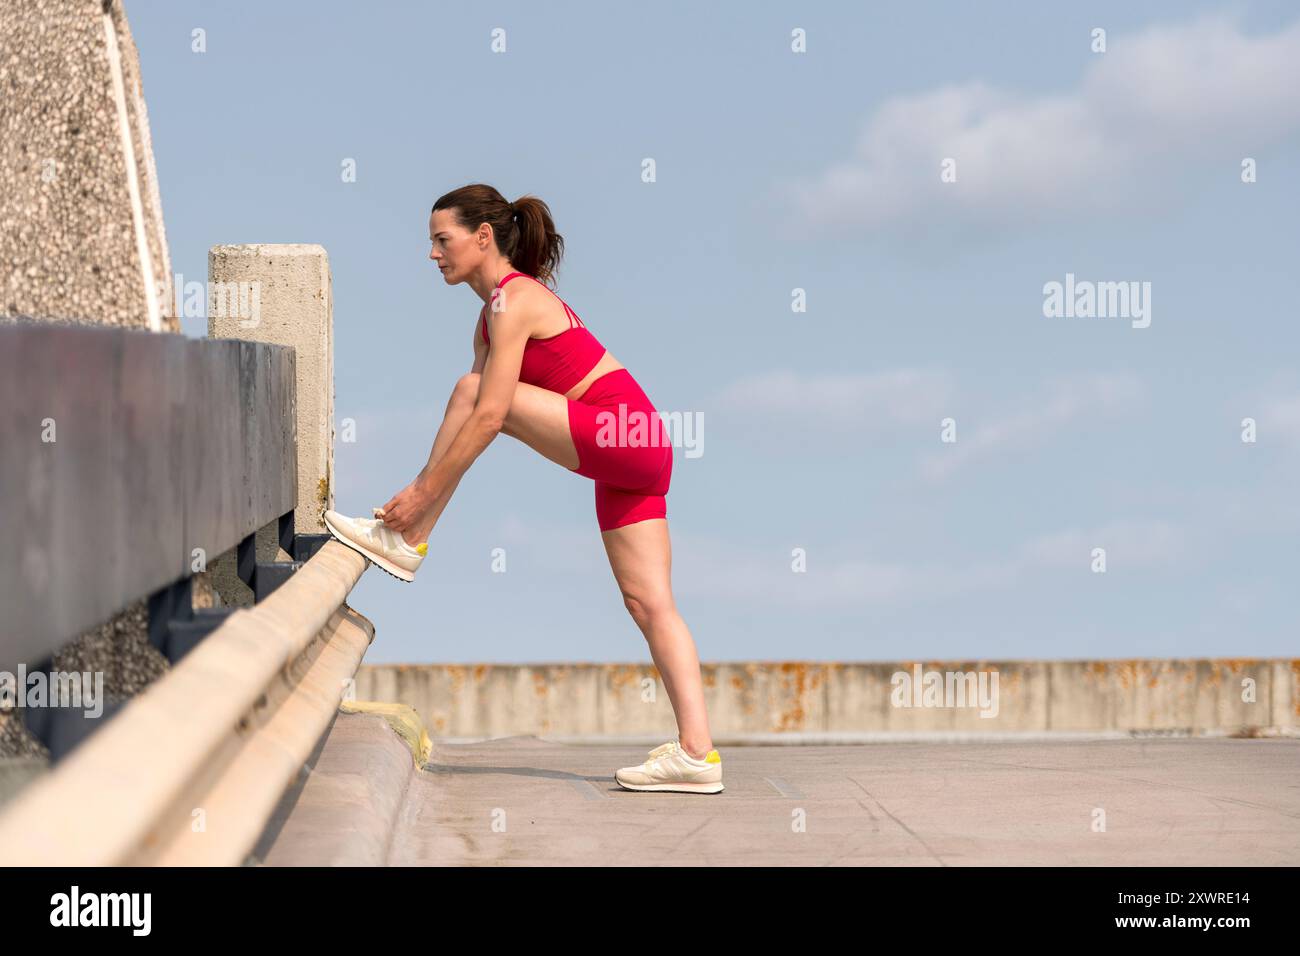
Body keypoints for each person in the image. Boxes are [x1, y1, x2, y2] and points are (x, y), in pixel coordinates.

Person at [323, 184, 722, 794]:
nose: (433, 254)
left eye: (442, 239)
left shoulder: (516, 298)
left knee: (472, 395)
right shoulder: (489, 321)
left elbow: (488, 414)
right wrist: (427, 488)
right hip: (629, 453)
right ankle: (698, 755)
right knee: (647, 603)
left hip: (625, 434)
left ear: (483, 237)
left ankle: (407, 537)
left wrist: (418, 493)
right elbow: (471, 427)